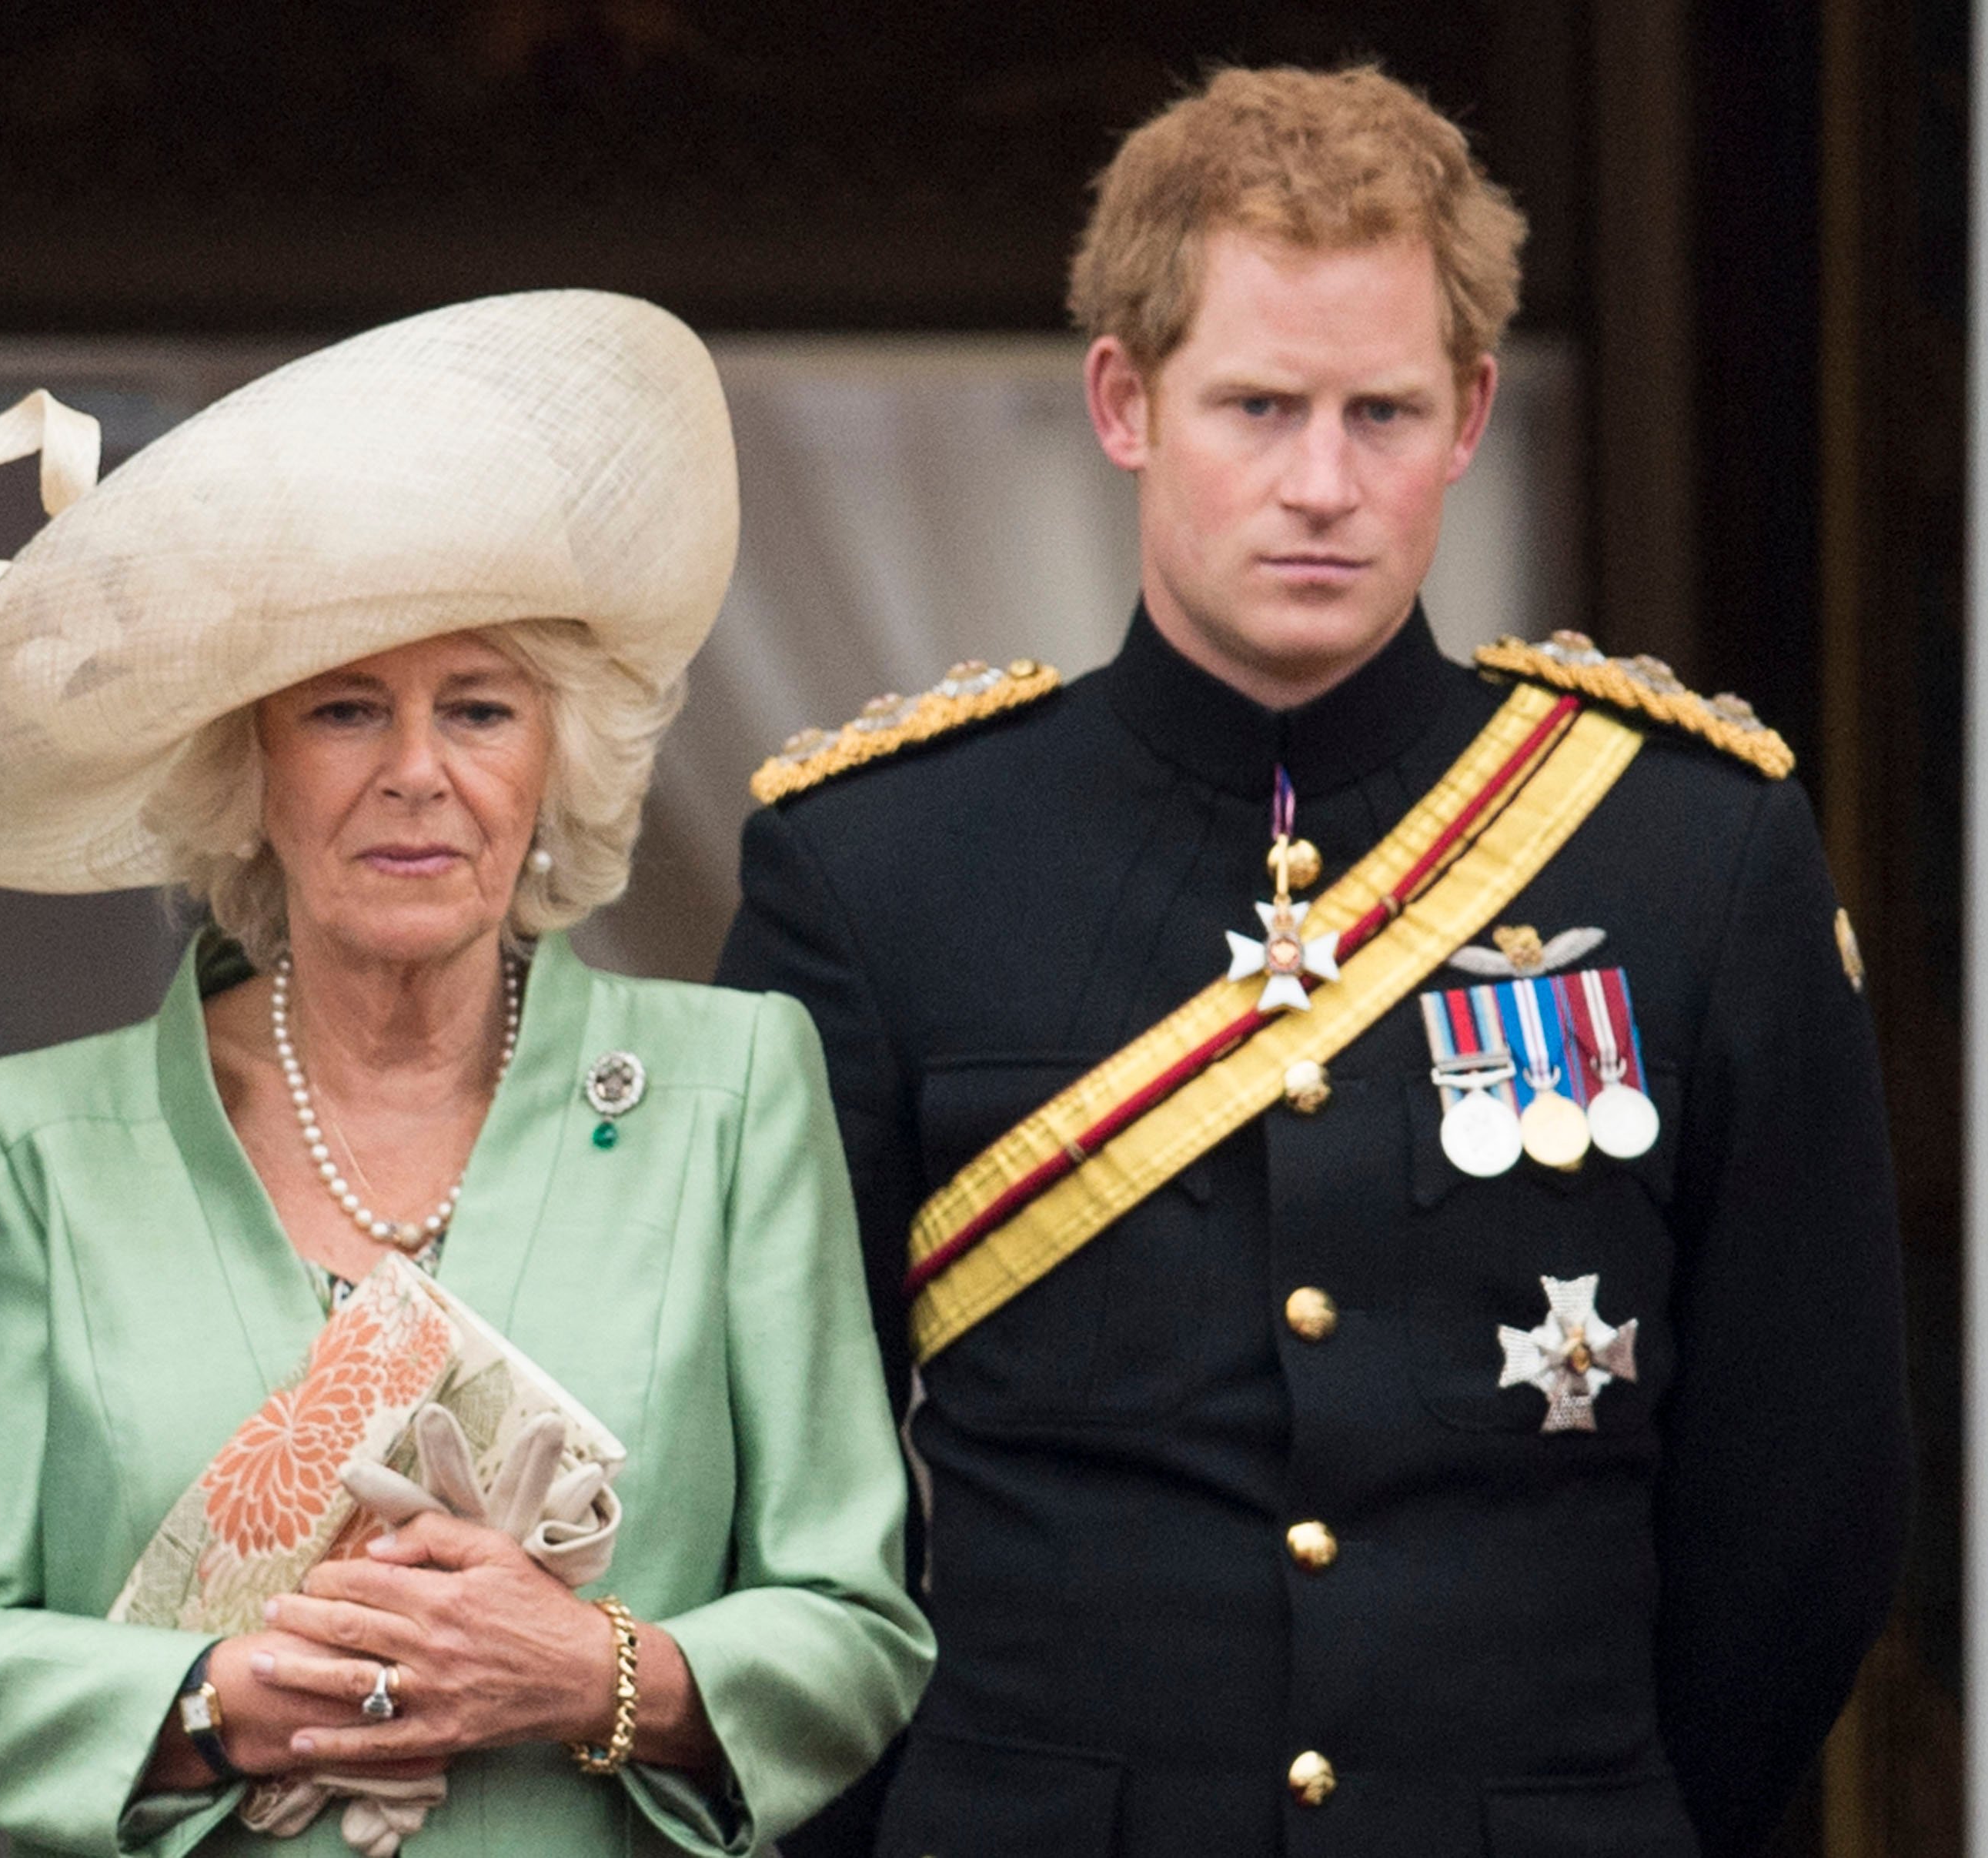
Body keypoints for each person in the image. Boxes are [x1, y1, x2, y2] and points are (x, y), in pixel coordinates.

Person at [719, 65, 1909, 1858]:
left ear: (1472, 415)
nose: (1323, 484)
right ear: (1125, 401)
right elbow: (771, 1486)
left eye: (1381, 411)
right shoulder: (878, 868)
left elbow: (1806, 1505)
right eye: (1259, 408)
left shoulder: (1695, 852)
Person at [0, 292, 932, 1857]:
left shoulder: (735, 1090)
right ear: (249, 767)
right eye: (347, 709)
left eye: (478, 708)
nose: (418, 771)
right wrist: (216, 1703)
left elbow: (854, 1624)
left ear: (553, 760)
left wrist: (594, 1671)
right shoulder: (29, 1145)